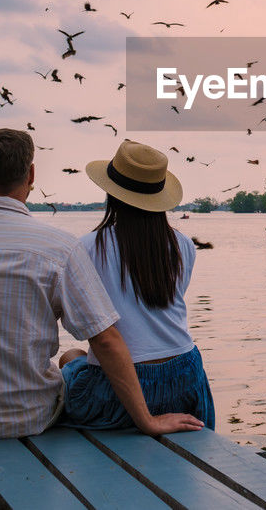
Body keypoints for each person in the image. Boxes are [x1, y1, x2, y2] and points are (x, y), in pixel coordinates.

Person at [0, 128, 203, 439]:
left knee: (71, 358)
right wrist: (147, 421)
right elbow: (106, 339)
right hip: (26, 417)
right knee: (72, 358)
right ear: (31, 175)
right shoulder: (60, 248)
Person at [58, 139, 215, 430]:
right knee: (75, 359)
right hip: (185, 377)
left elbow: (94, 335)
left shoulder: (88, 247)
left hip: (120, 391)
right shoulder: (183, 245)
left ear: (111, 194)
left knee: (70, 358)